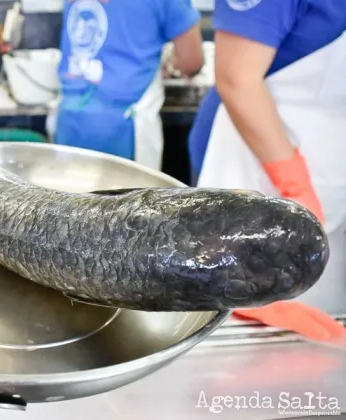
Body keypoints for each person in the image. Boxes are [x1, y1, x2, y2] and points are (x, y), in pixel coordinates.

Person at [188, 1, 346, 319]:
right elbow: (237, 79)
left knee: (319, 316)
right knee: (241, 308)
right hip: (252, 158)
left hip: (329, 166)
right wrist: (294, 183)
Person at [53, 0, 204, 171]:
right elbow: (192, 62)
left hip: (69, 118)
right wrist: (170, 63)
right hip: (124, 129)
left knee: (70, 193)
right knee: (128, 197)